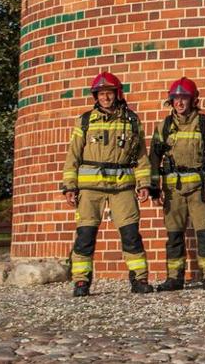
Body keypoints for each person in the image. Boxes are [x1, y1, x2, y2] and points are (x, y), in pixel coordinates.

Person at [62, 72, 153, 297]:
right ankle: (81, 282)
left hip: (122, 187)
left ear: (117, 94)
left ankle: (139, 279)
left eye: (109, 93)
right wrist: (70, 186)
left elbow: (141, 156)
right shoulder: (85, 121)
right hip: (90, 189)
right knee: (85, 236)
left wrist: (144, 183)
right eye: (101, 94)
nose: (105, 98)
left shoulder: (132, 121)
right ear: (96, 96)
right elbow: (73, 156)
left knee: (131, 234)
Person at [150, 77, 205, 291]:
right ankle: (174, 278)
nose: (180, 102)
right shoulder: (163, 127)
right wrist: (154, 187)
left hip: (200, 189)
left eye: (184, 98)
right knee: (174, 236)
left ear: (193, 100)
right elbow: (153, 159)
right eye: (176, 99)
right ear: (171, 101)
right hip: (173, 190)